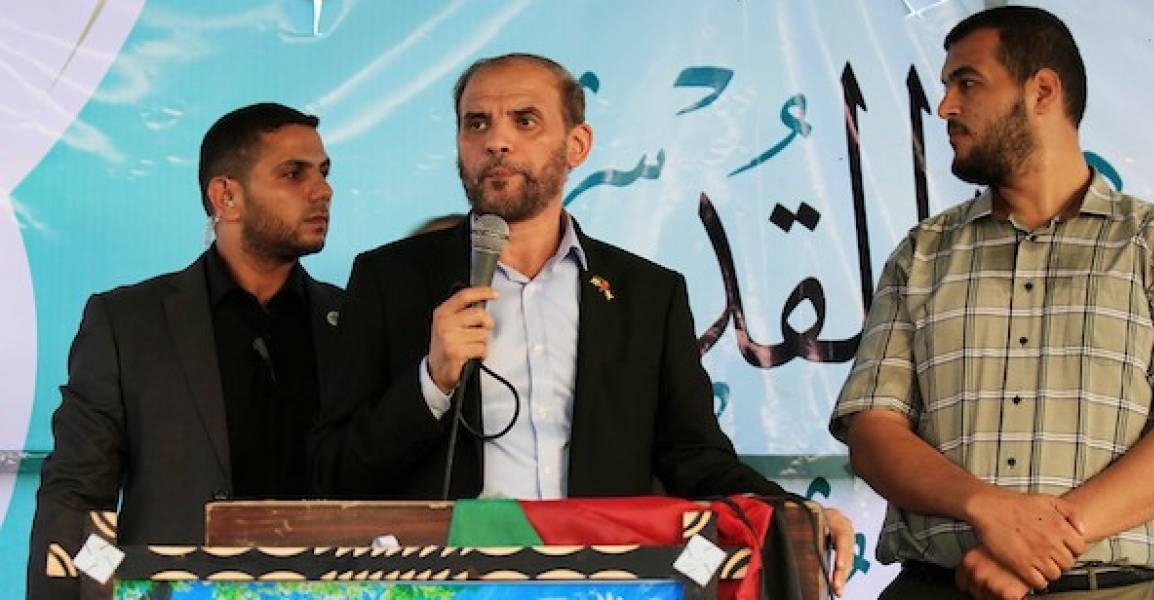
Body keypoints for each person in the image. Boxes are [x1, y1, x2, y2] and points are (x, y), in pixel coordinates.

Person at [311, 53, 853, 595]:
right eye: (476, 123)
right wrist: (431, 383)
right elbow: (333, 471)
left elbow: (694, 457)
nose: (496, 141)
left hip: (606, 585)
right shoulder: (391, 280)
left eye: (524, 120)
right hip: (451, 586)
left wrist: (794, 511)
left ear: (577, 145)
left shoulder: (647, 294)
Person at [831, 6, 1154, 599]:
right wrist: (986, 509)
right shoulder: (923, 251)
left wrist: (1039, 546)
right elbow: (873, 430)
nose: (945, 107)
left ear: (1042, 91)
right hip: (935, 587)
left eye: (967, 83)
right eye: (946, 87)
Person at [28, 102, 342, 598]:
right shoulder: (128, 323)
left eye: (323, 172)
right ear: (226, 196)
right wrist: (91, 588)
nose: (322, 190)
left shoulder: (351, 321)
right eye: (293, 173)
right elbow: (80, 496)